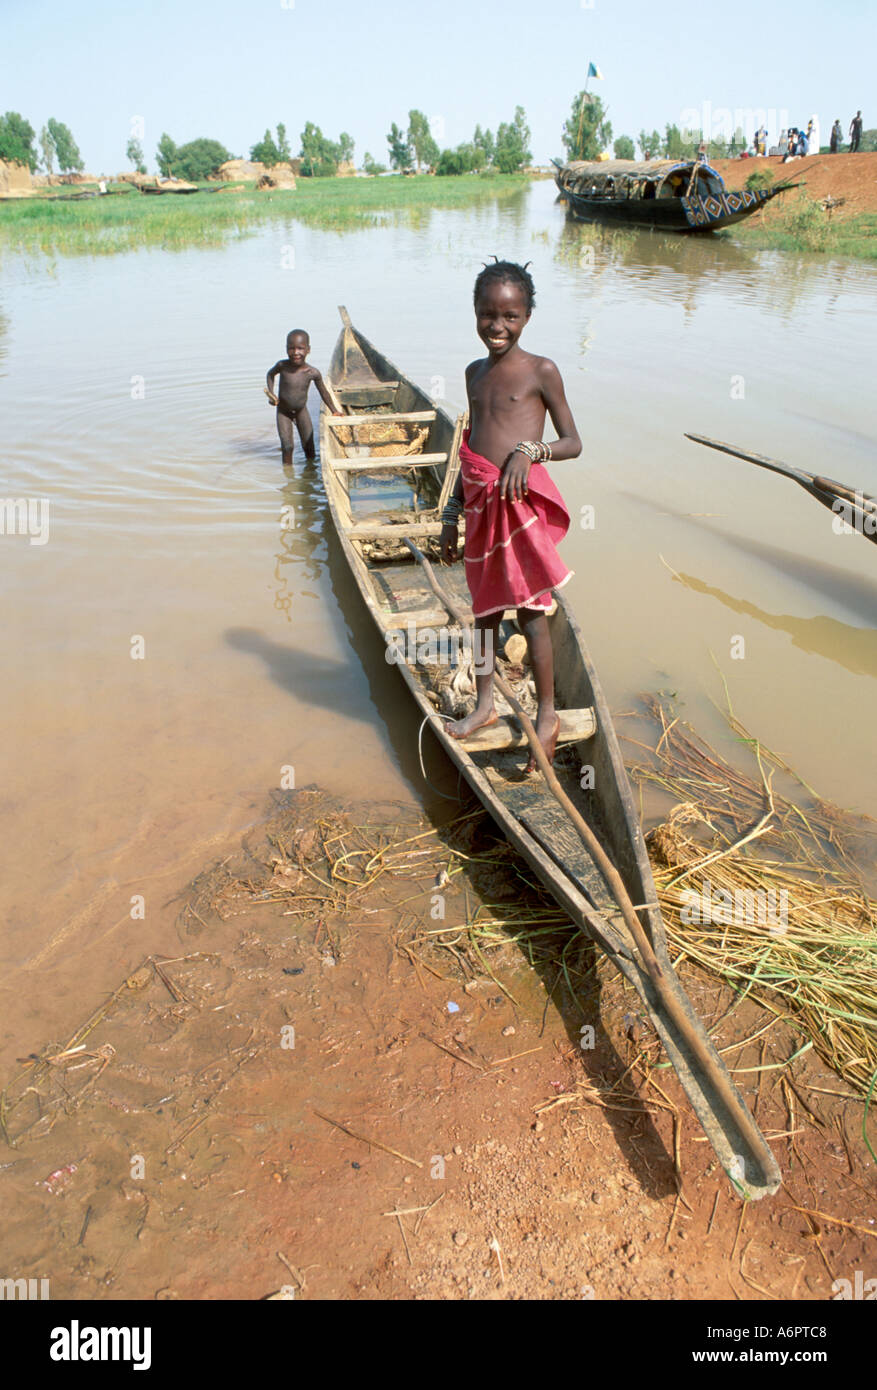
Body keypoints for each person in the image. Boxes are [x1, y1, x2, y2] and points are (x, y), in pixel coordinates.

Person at [440, 260, 582, 771]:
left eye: (510, 316)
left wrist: (529, 450)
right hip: (478, 503)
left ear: (527, 316)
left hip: (516, 509)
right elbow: (469, 445)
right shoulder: (473, 374)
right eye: (487, 315)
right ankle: (484, 704)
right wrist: (451, 511)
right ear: (475, 314)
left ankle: (547, 716)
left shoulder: (541, 370)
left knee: (531, 613)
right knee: (482, 613)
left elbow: (573, 442)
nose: (497, 327)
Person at [265, 330, 340, 465]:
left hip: (301, 411)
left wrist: (334, 410)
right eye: (291, 348)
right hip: (284, 412)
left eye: (300, 348)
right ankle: (288, 477)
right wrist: (271, 394)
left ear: (308, 350)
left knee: (309, 447)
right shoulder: (282, 366)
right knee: (287, 447)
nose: (295, 352)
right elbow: (270, 375)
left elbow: (323, 392)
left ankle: (310, 472)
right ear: (286, 349)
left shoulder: (312, 372)